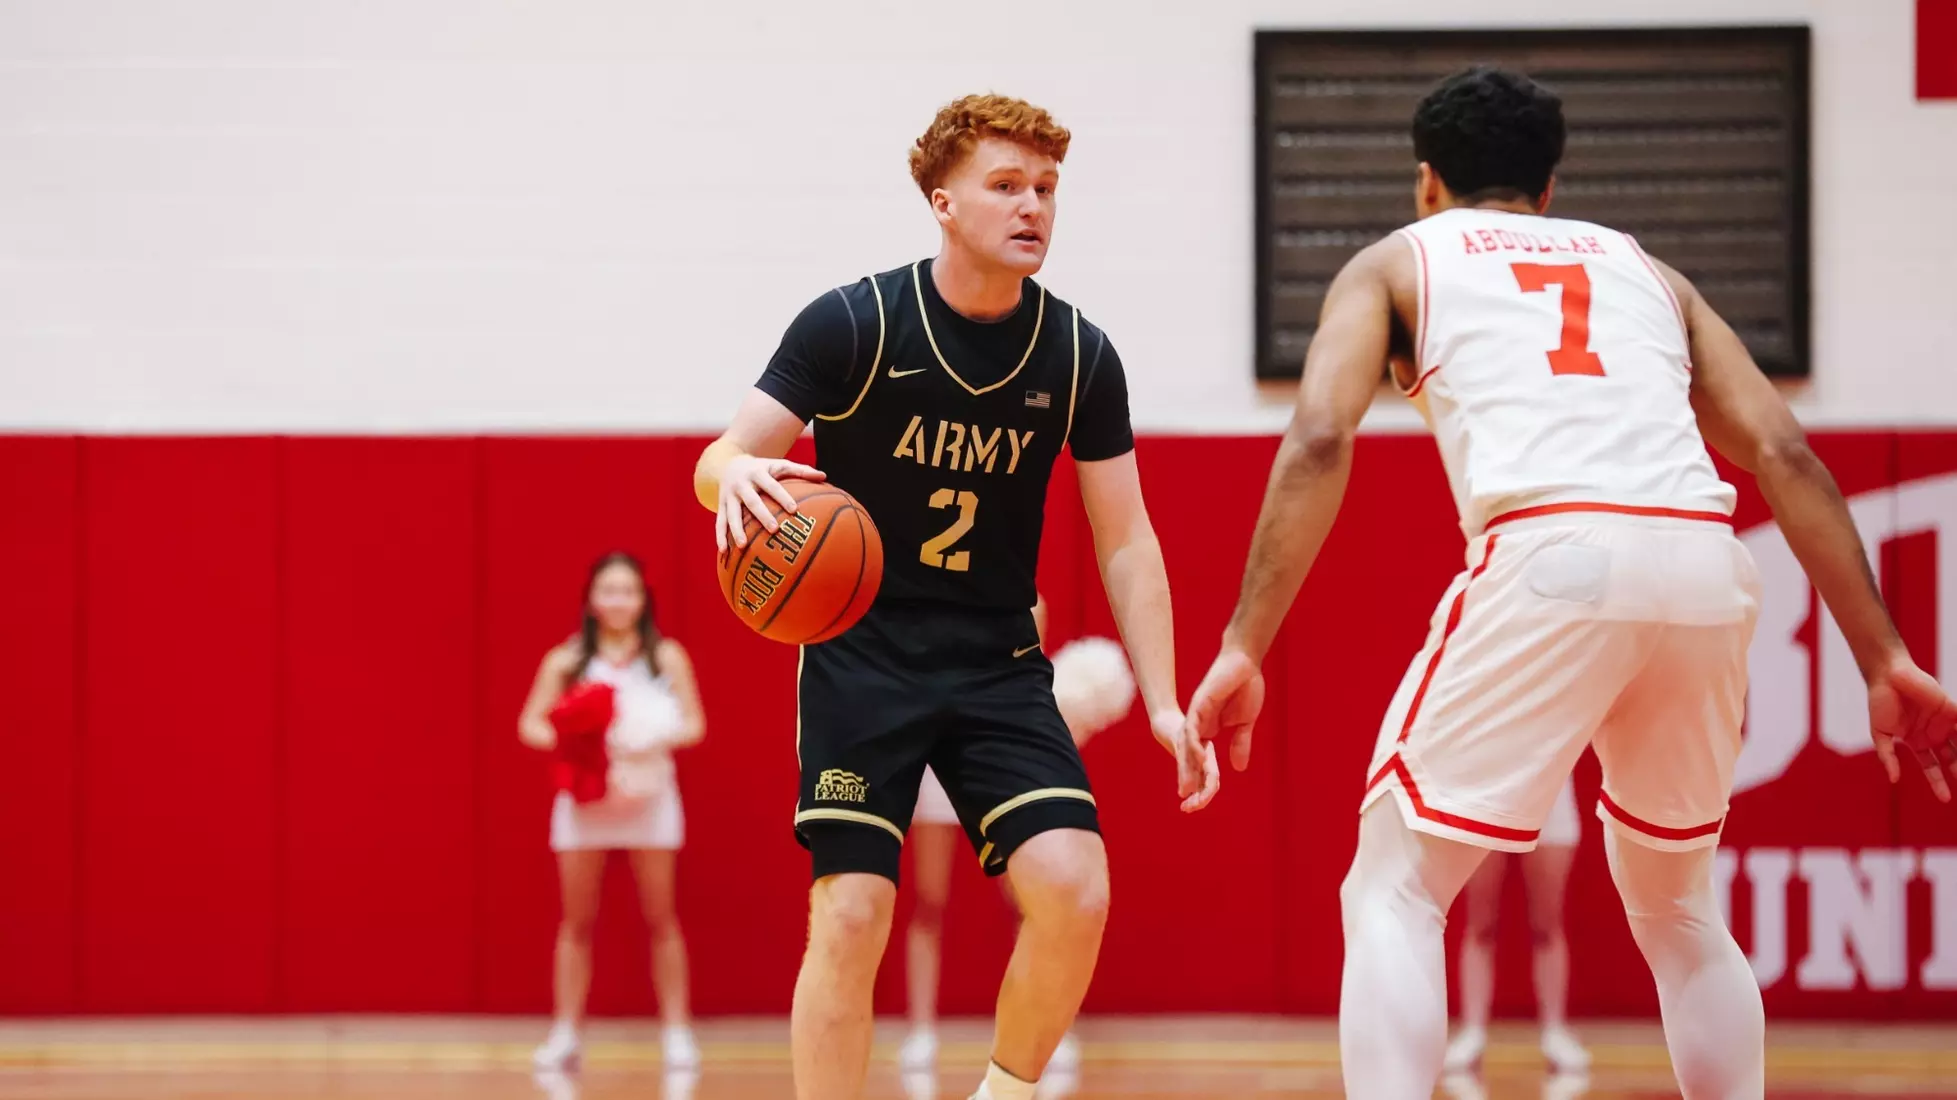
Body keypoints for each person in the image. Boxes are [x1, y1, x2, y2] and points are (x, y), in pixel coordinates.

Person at [1180, 66, 1957, 1100]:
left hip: (1554, 550)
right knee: (1680, 908)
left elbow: (1322, 434)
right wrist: (1885, 656)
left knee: (1394, 886)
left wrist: (1241, 643)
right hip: (1704, 562)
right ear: (1548, 190)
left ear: (1425, 182)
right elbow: (1782, 453)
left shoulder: (1396, 262)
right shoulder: (1645, 269)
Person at [692, 94, 1216, 1100]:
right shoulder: (854, 320)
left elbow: (1127, 537)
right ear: (942, 201)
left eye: (1048, 188)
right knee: (850, 913)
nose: (1034, 207)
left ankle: (1005, 1092)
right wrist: (734, 476)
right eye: (1007, 185)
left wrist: (1159, 698)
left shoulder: (1077, 354)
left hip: (997, 660)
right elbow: (718, 459)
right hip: (863, 654)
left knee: (1075, 888)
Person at [518, 552, 703, 1073]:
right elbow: (530, 723)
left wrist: (652, 734)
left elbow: (694, 723)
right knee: (575, 922)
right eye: (609, 590)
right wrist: (578, 736)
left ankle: (676, 1030)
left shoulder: (666, 658)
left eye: (629, 591)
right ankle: (566, 1032)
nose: (619, 600)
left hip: (650, 798)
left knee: (662, 916)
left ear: (643, 600)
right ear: (592, 600)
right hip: (587, 801)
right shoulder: (567, 660)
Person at [1441, 776, 1589, 1075]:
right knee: (1480, 923)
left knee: (1547, 924)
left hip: (1552, 799)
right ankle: (1472, 1031)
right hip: (1488, 794)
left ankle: (1555, 1030)